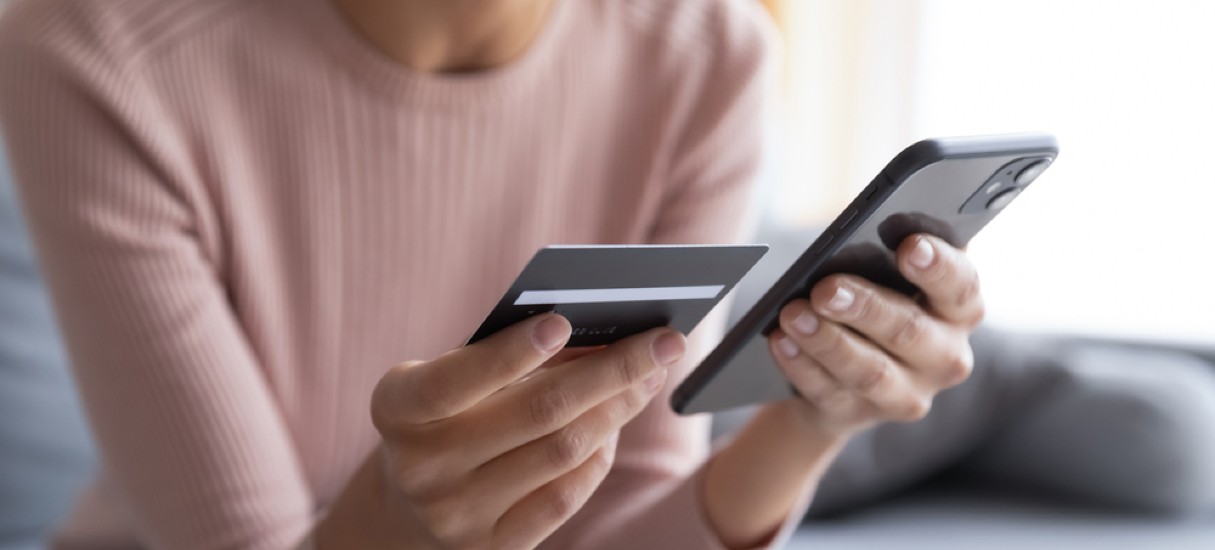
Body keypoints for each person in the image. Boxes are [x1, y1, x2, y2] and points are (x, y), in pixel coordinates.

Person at [0, 0, 985, 548]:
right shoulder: (93, 53)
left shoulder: (706, 53)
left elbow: (627, 511)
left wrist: (813, 419)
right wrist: (394, 518)